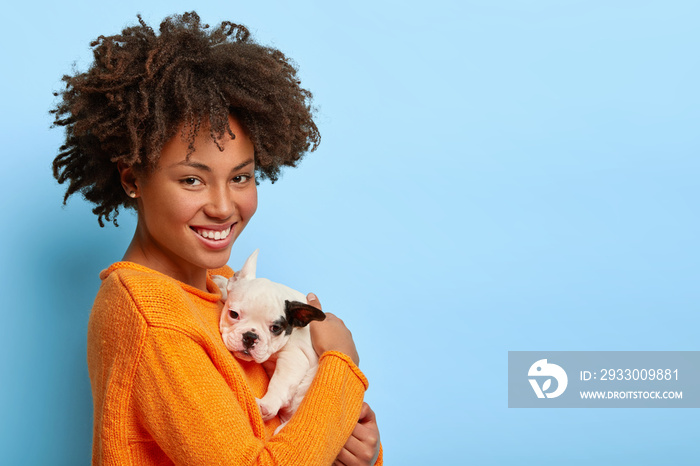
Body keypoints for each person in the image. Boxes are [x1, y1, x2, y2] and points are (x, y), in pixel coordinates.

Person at [51, 12, 382, 465]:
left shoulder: (223, 288)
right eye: (192, 180)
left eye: (242, 177)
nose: (224, 207)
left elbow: (279, 437)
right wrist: (341, 364)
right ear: (132, 180)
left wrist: (354, 448)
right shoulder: (152, 315)